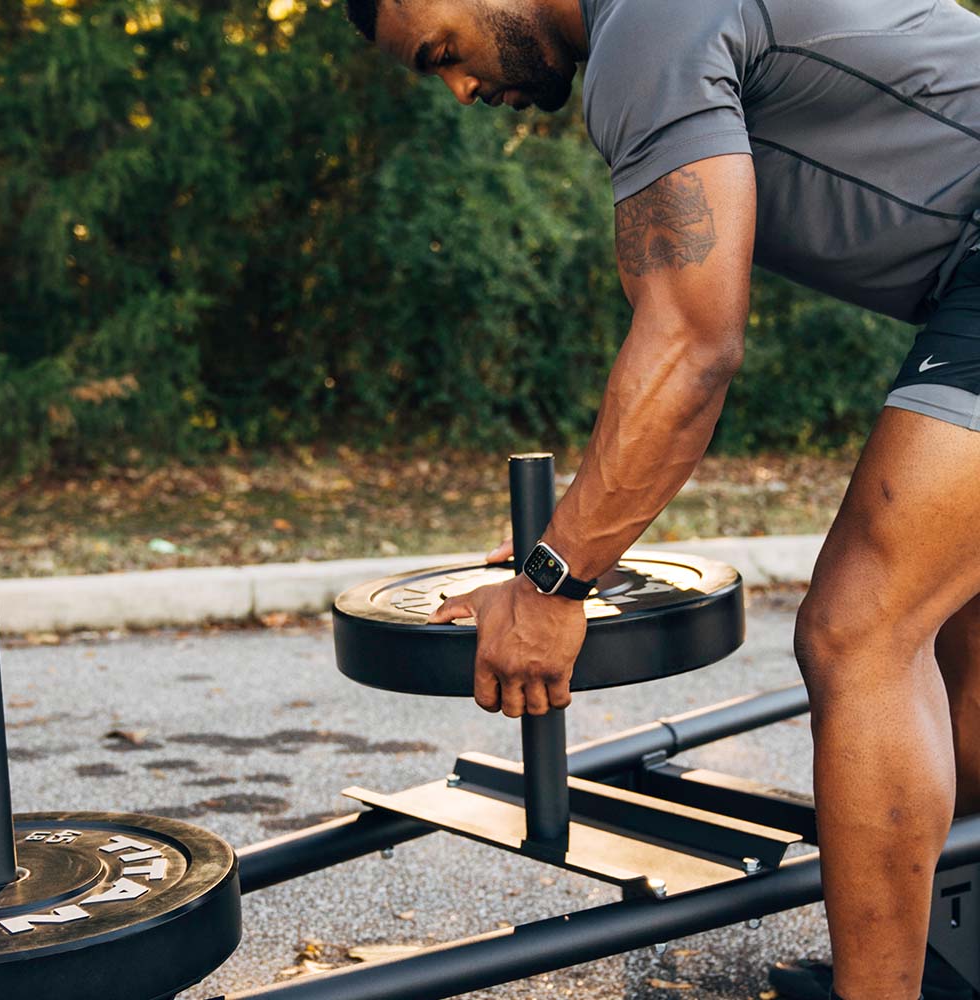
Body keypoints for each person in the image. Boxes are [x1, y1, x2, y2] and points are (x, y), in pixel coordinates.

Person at [343, 0, 980, 997]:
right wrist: (565, 546)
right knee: (953, 620)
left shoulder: (644, 23)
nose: (461, 89)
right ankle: (950, 961)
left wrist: (552, 586)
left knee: (860, 631)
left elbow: (691, 345)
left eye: (440, 54)